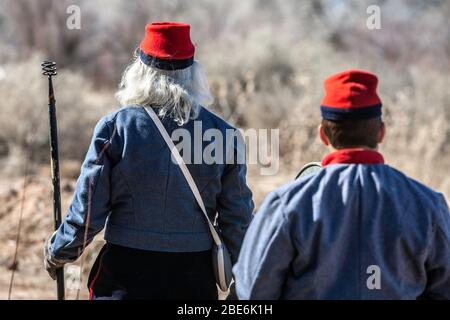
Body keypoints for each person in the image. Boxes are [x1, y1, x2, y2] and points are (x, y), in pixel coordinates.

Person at [44, 22, 254, 300]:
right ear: (193, 74)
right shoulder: (225, 135)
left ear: (140, 71)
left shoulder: (116, 128)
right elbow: (237, 220)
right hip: (193, 279)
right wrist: (246, 278)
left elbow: (88, 213)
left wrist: (59, 251)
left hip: (124, 276)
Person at [233, 69, 450, 299]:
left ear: (323, 135)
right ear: (381, 133)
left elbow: (253, 290)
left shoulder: (287, 204)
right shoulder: (427, 204)